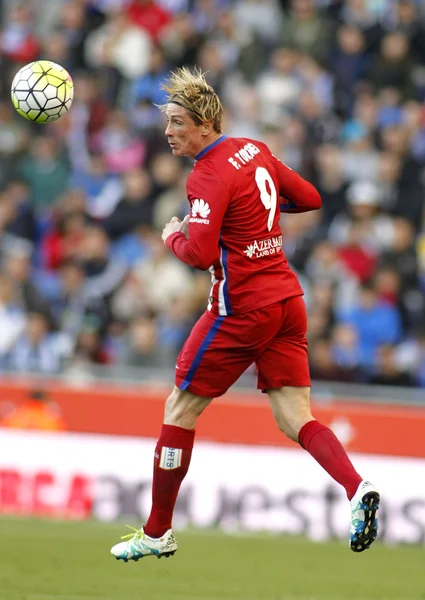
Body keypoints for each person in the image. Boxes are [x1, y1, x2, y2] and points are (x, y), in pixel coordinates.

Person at [110, 68, 380, 562]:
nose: (167, 132)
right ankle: (357, 487)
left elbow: (198, 253)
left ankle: (157, 532)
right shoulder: (254, 149)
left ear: (204, 123)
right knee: (295, 417)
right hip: (287, 301)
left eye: (176, 122)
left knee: (179, 410)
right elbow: (311, 197)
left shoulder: (207, 174)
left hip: (241, 309)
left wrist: (173, 233)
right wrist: (258, 214)